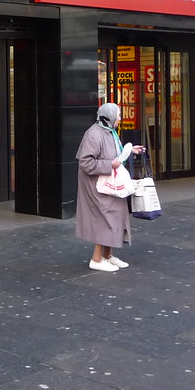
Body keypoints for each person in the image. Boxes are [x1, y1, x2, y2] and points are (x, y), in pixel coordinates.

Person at [75, 102, 146, 272]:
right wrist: (110, 165)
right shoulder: (93, 134)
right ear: (109, 117)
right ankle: (96, 259)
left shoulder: (109, 132)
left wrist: (131, 151)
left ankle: (107, 255)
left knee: (115, 216)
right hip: (97, 186)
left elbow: (116, 154)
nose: (120, 119)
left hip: (108, 183)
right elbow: (86, 162)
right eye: (118, 116)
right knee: (105, 218)